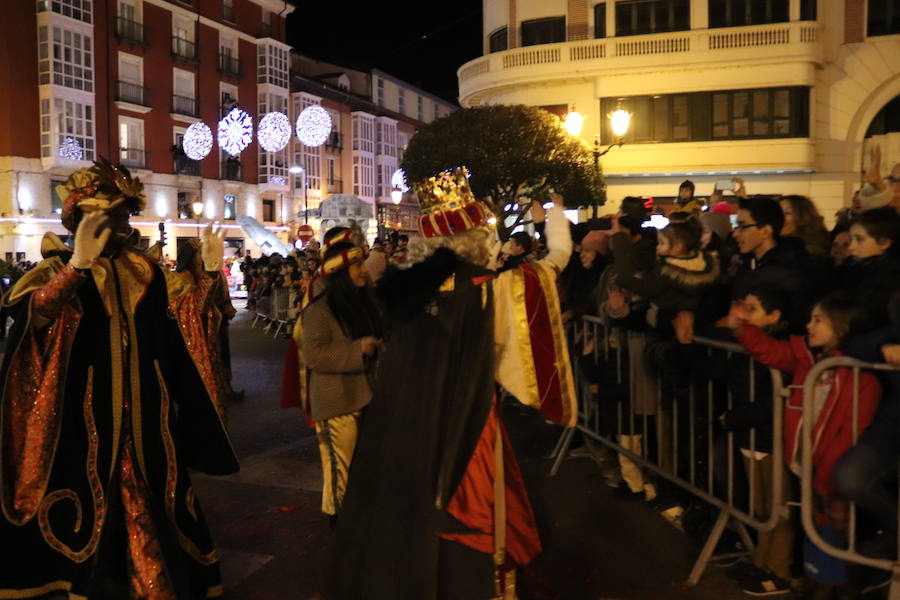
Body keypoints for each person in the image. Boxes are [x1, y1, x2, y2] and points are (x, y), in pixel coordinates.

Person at [326, 168, 576, 599]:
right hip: (465, 424)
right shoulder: (486, 290)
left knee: (400, 513)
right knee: (463, 509)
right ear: (474, 238)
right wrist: (553, 214)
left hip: (400, 430)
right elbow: (551, 268)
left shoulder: (406, 294)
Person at [0, 159, 238, 599]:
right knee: (93, 515)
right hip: (81, 428)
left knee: (149, 511)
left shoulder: (144, 273)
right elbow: (34, 318)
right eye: (102, 215)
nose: (116, 225)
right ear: (78, 218)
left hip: (148, 424)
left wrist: (206, 274)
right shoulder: (54, 274)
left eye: (121, 214)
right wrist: (77, 267)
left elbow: (192, 324)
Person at [728, 291, 881, 598]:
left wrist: (826, 477)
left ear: (841, 327)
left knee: (835, 546)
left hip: (833, 479)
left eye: (818, 320)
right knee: (816, 542)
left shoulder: (860, 378)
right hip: (811, 471)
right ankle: (819, 586)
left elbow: (851, 436)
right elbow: (770, 351)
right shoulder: (808, 360)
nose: (808, 326)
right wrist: (742, 328)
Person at [301, 241, 381, 519]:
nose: (364, 270)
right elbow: (313, 355)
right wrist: (356, 349)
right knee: (340, 475)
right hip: (336, 403)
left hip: (364, 397)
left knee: (363, 471)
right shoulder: (319, 310)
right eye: (357, 265)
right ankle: (342, 530)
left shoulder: (363, 303)